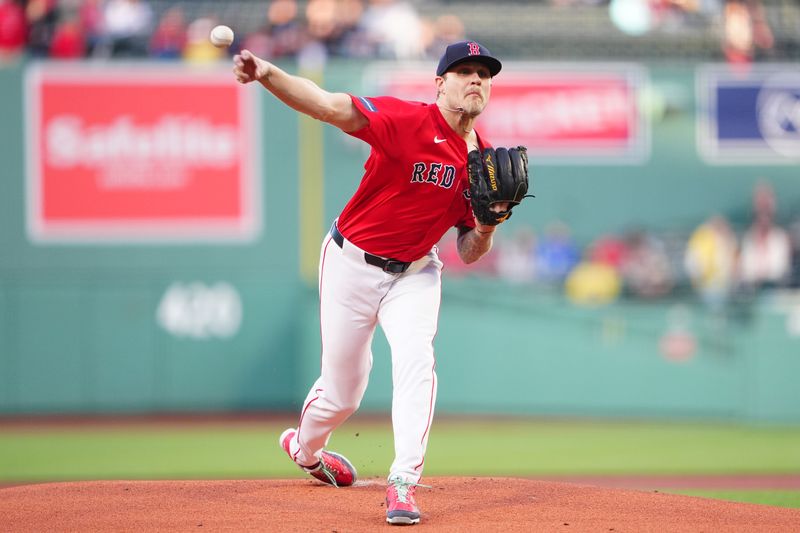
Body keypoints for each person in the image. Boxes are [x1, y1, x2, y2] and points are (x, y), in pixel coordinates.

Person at [232, 40, 508, 526]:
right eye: (464, 71)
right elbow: (327, 105)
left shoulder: (483, 164)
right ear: (440, 83)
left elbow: (467, 250)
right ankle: (305, 448)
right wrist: (268, 72)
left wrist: (487, 226)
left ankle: (403, 483)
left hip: (417, 272)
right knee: (344, 392)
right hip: (351, 263)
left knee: (417, 359)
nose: (475, 80)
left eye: (484, 74)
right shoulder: (406, 121)